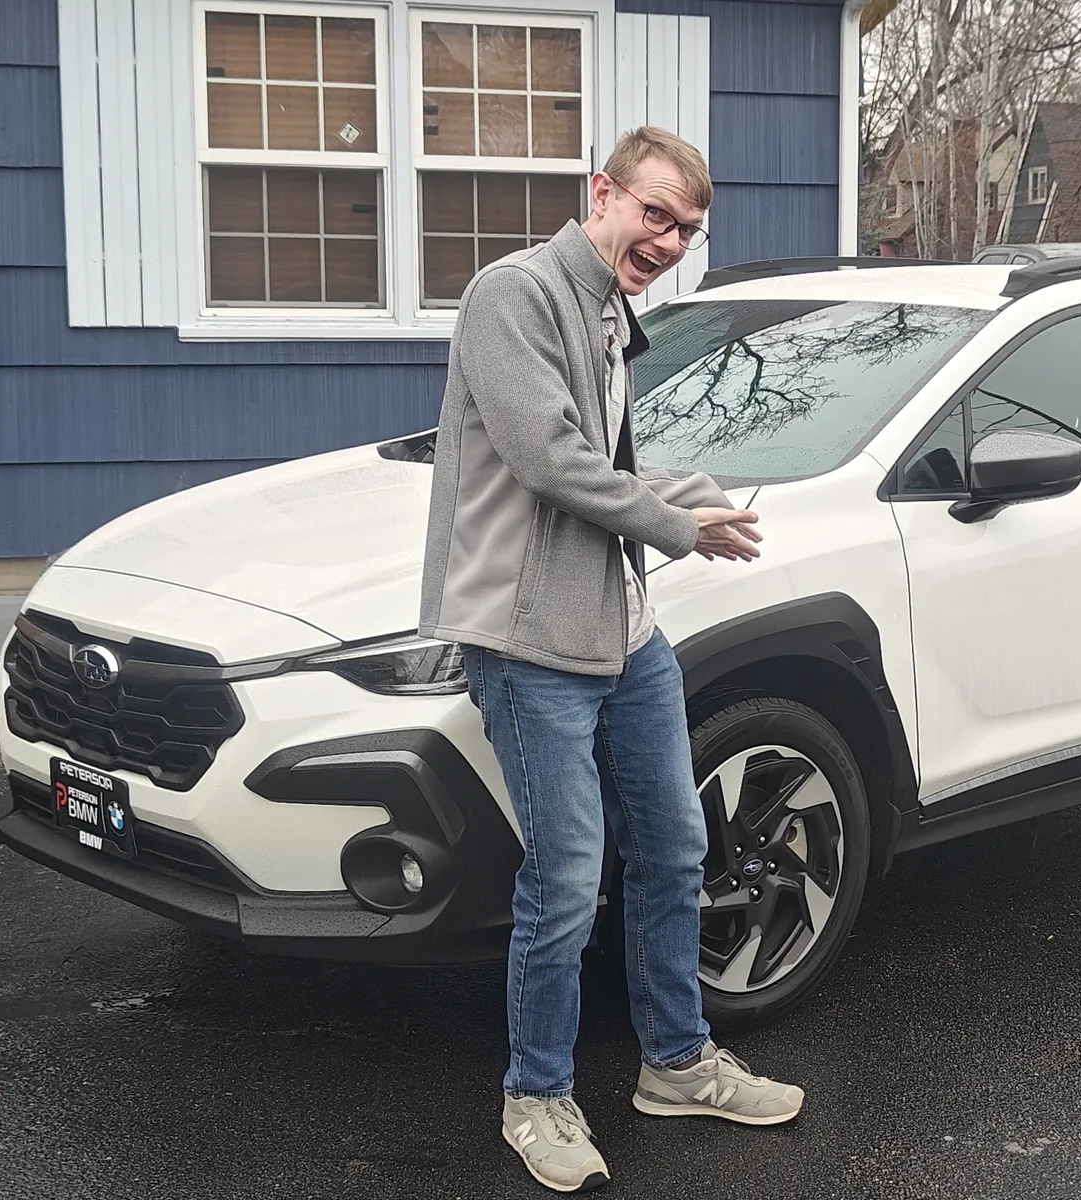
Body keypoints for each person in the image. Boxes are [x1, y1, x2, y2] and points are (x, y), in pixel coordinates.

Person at [418, 126, 805, 1193]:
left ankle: (676, 1063)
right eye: (656, 214)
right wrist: (679, 526)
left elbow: (604, 463)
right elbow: (548, 459)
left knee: (676, 848)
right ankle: (535, 1095)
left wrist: (688, 495)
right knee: (567, 876)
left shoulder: (606, 313)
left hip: (623, 630)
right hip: (530, 641)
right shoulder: (514, 295)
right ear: (604, 193)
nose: (669, 241)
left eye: (687, 229)